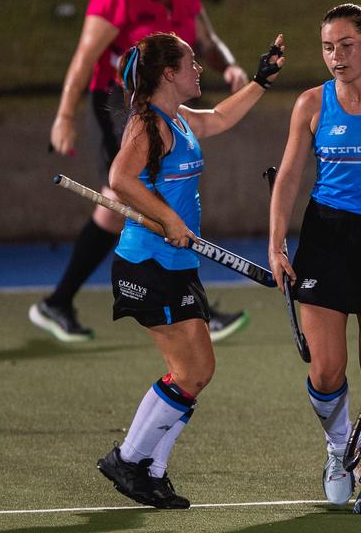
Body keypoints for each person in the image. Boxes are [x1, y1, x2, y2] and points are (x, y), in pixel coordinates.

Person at [37, 0, 249, 343]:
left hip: (167, 100)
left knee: (123, 201)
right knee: (131, 190)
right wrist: (64, 115)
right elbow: (83, 57)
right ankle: (177, 300)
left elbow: (207, 41)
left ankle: (59, 301)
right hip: (123, 102)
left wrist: (230, 67)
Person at [95, 31, 283, 508]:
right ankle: (130, 461)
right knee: (193, 368)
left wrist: (260, 80)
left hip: (177, 262)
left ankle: (152, 469)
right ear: (168, 74)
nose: (199, 69)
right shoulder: (147, 124)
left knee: (195, 372)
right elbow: (119, 179)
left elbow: (221, 118)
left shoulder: (176, 120)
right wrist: (171, 219)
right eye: (191, 63)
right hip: (147, 263)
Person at [267, 4, 361, 509]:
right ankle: (338, 447)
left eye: (347, 44)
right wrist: (276, 244)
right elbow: (287, 176)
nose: (337, 56)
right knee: (326, 369)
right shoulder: (311, 103)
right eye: (328, 47)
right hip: (326, 237)